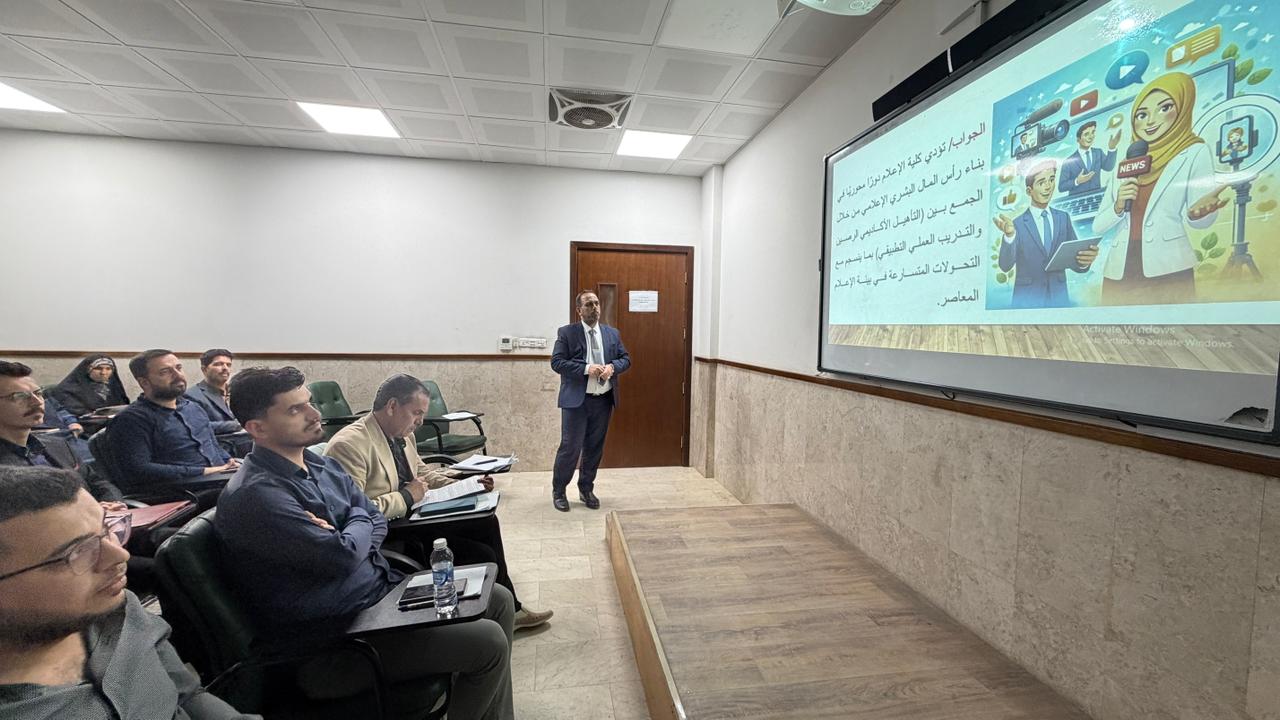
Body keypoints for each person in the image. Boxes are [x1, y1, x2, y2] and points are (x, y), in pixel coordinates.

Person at [215, 366, 514, 720]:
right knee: (486, 643)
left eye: (309, 403)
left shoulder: (318, 465)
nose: (315, 414)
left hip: (378, 599)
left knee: (498, 598)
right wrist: (356, 526)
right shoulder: (257, 496)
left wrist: (350, 526)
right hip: (337, 642)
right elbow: (343, 554)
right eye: (295, 409)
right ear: (257, 428)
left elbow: (372, 517)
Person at [0, 465, 256, 719]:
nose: (120, 555)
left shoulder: (116, 609)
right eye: (77, 552)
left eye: (106, 530)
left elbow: (186, 696)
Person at [324, 373, 553, 630]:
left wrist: (464, 483)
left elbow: (422, 474)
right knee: (482, 554)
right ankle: (496, 612)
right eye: (416, 413)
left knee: (485, 522)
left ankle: (511, 609)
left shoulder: (402, 434)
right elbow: (355, 514)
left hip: (417, 515)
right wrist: (406, 496)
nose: (420, 421)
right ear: (392, 406)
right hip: (393, 532)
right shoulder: (349, 445)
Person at [1094, 72, 1229, 306]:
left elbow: (1201, 220)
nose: (1150, 121)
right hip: (1119, 268)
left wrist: (1200, 213)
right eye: (1142, 114)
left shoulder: (1193, 152)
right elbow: (1098, 226)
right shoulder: (1125, 163)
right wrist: (1117, 206)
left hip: (1168, 265)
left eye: (1164, 108)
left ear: (1183, 108)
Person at [109, 350, 238, 498]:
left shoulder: (193, 408)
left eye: (178, 368)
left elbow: (212, 444)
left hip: (220, 479)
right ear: (144, 382)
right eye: (165, 372)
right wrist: (205, 471)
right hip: (183, 493)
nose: (178, 375)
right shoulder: (131, 420)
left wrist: (228, 461)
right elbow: (139, 470)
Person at [550, 291, 631, 512]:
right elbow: (557, 362)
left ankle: (586, 489)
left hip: (603, 401)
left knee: (594, 448)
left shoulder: (612, 333)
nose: (594, 307)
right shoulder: (567, 333)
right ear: (579, 310)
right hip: (576, 402)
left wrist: (612, 367)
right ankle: (559, 491)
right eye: (588, 304)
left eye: (596, 303)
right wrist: (587, 368)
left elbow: (625, 359)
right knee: (570, 448)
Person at [0, 361, 121, 502]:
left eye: (38, 393)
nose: (37, 402)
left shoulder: (58, 445)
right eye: (20, 396)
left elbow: (100, 484)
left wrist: (112, 503)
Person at [994, 159, 1098, 308]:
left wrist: (1084, 261)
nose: (1048, 186)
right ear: (1029, 191)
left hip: (1059, 301)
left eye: (1051, 180)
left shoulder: (1063, 218)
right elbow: (1005, 266)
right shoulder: (1017, 224)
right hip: (1026, 303)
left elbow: (1075, 261)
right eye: (1041, 182)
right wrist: (1009, 236)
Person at [186, 349, 251, 457]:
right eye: (218, 364)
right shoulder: (192, 395)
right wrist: (237, 425)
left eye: (228, 365)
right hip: (221, 450)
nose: (225, 368)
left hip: (249, 444)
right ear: (204, 369)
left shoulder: (239, 391)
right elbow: (198, 426)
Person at [51, 354, 128, 418]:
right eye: (98, 368)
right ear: (87, 370)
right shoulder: (68, 390)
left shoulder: (114, 388)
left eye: (108, 369)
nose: (103, 373)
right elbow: (72, 414)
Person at [1058, 120, 1119, 194]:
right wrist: (1077, 181)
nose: (1090, 137)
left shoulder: (1098, 152)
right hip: (1077, 198)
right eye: (1086, 134)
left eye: (1093, 132)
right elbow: (1061, 187)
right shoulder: (1068, 161)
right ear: (1078, 139)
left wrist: (1112, 148)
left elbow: (1109, 167)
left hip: (1096, 196)